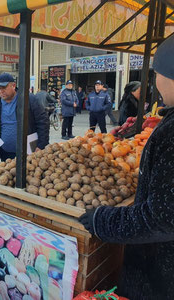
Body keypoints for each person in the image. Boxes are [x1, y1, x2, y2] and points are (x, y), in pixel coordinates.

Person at [78, 34, 174, 299]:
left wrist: (103, 220)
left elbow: (162, 217)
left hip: (161, 279)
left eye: (157, 73)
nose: (155, 82)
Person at [0, 73, 49, 160]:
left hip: (29, 152)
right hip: (6, 154)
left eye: (4, 87)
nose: (1, 91)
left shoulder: (29, 100)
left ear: (13, 85)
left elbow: (43, 122)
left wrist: (41, 145)